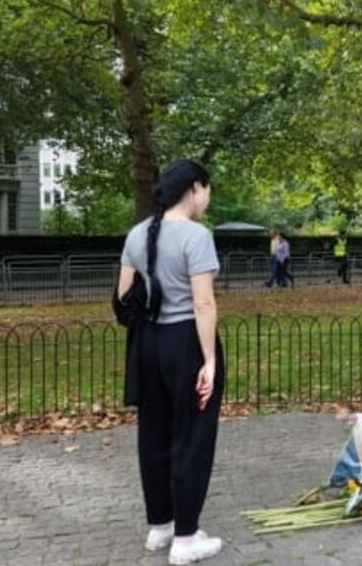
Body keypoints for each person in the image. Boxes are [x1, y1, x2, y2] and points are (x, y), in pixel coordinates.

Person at [116, 159, 224, 565]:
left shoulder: (136, 234)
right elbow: (203, 302)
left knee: (154, 434)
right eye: (207, 190)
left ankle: (160, 526)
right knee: (192, 436)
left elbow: (124, 297)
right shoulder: (197, 236)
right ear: (195, 188)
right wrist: (209, 360)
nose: (208, 199)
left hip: (146, 343)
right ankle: (185, 536)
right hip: (186, 343)